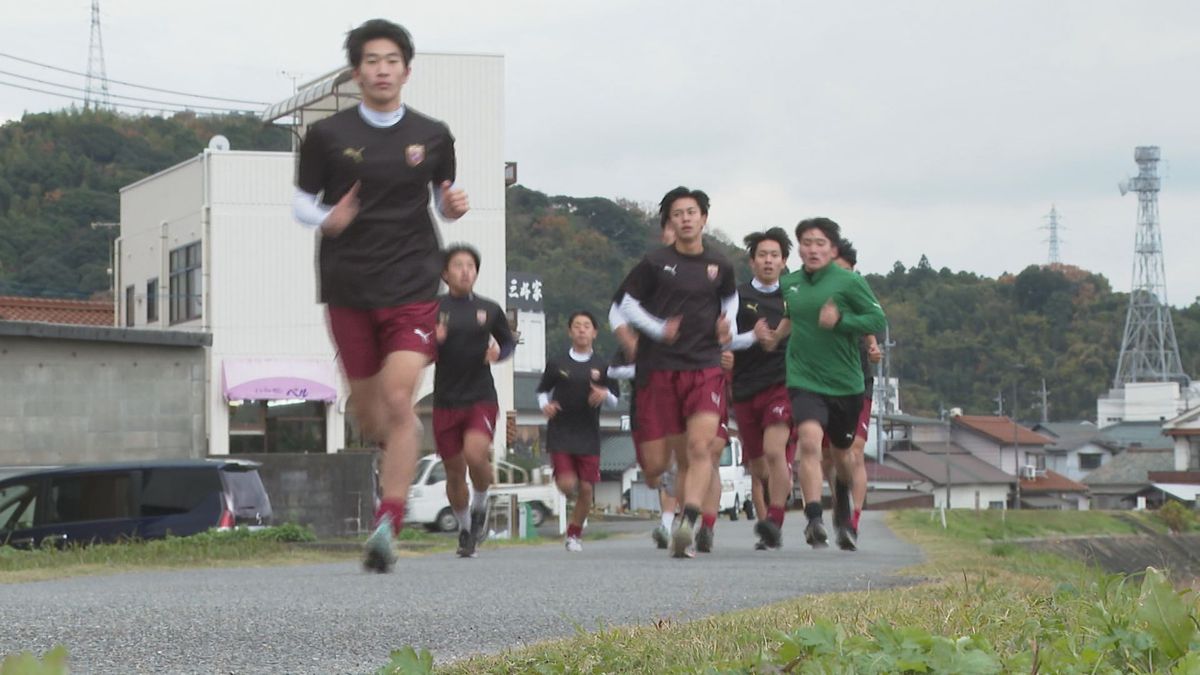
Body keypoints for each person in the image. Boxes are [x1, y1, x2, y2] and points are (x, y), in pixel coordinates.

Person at [292, 19, 470, 573]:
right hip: (349, 285)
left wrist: (452, 208)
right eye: (371, 60)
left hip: (413, 281)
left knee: (399, 400)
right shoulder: (327, 136)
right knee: (369, 412)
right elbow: (301, 203)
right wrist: (329, 217)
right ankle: (384, 457)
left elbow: (440, 200)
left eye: (392, 59)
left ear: (407, 70)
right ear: (356, 72)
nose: (382, 69)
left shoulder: (433, 135)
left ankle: (387, 524)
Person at [616, 186, 737, 558]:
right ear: (669, 221)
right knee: (659, 464)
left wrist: (726, 325)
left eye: (692, 212)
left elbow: (730, 300)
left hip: (704, 366)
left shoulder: (721, 265)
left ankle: (688, 521)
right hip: (661, 369)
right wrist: (657, 329)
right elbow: (626, 305)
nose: (685, 219)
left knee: (700, 447)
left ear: (703, 218)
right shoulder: (654, 263)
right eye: (678, 214)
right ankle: (674, 495)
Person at [767, 218, 885, 551]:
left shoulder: (849, 282)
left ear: (832, 249)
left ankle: (843, 502)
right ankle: (814, 517)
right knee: (809, 442)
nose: (813, 249)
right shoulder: (789, 283)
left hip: (846, 383)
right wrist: (775, 336)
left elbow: (877, 320)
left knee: (844, 456)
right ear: (799, 248)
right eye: (806, 242)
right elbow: (793, 315)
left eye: (820, 243)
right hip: (804, 377)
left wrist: (842, 321)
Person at [433, 245, 515, 558]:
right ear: (445, 273)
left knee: (475, 455)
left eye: (471, 265)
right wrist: (433, 341)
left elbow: (507, 342)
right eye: (458, 265)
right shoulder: (433, 309)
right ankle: (467, 530)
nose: (466, 270)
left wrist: (499, 354)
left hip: (480, 396)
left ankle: (481, 504)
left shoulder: (489, 309)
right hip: (445, 400)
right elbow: (419, 351)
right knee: (454, 471)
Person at [727, 227, 793, 551]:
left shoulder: (793, 296)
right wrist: (752, 336)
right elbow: (722, 340)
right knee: (758, 467)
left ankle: (775, 520)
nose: (768, 261)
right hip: (744, 386)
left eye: (775, 256)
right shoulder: (736, 297)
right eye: (762, 255)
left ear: (784, 262)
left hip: (782, 383)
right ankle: (775, 507)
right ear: (752, 262)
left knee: (774, 451)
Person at [536, 311, 619, 552]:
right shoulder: (557, 363)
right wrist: (545, 406)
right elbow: (542, 390)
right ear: (570, 331)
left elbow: (615, 398)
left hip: (588, 433)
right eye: (577, 326)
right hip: (561, 430)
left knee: (586, 489)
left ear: (594, 332)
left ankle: (574, 534)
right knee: (566, 485)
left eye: (586, 326)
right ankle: (563, 483)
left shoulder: (603, 366)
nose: (582, 330)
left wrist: (604, 394)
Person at [819, 240, 881, 548]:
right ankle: (839, 507)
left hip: (858, 381)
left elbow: (870, 318)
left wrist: (872, 344)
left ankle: (851, 523)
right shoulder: (816, 295)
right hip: (823, 382)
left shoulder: (858, 290)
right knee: (829, 456)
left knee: (854, 452)